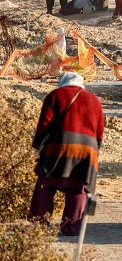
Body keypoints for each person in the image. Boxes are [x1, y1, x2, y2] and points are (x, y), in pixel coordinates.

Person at [29, 72, 104, 236]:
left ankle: (38, 225)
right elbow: (99, 133)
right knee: (77, 187)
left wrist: (36, 146)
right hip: (87, 151)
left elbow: (44, 124)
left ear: (62, 82)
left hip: (59, 146)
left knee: (45, 183)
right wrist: (93, 153)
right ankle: (71, 228)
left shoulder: (55, 95)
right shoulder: (94, 100)